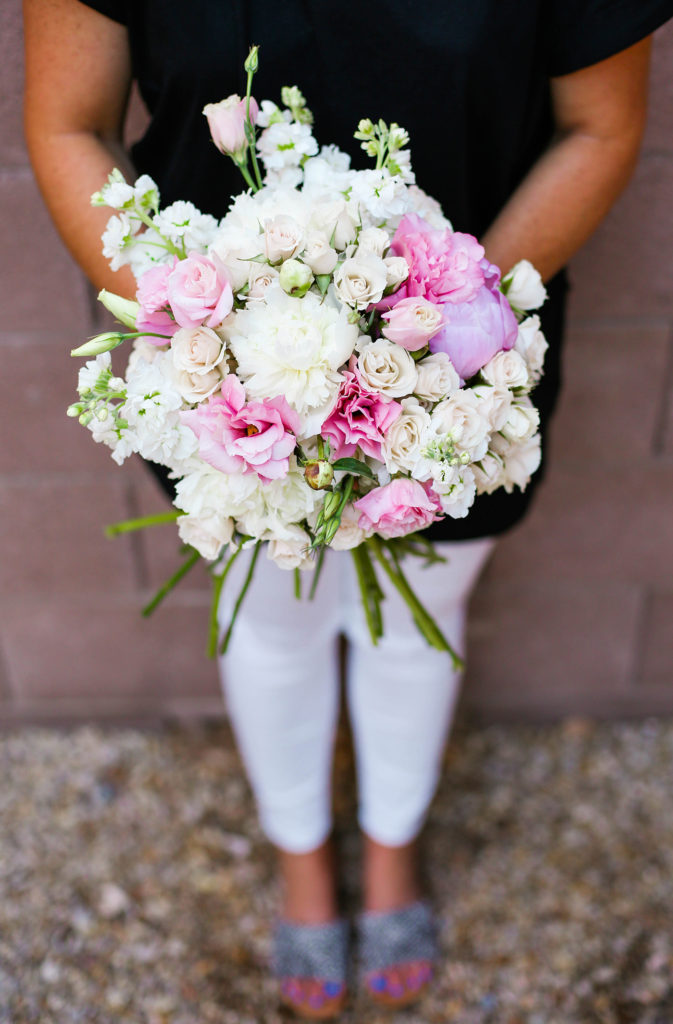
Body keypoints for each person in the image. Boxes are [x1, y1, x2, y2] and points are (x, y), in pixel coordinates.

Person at [23, 1, 673, 1017]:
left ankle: (390, 852)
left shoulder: (460, 367)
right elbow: (69, 123)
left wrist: (440, 353)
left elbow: (600, 125)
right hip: (218, 389)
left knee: (425, 623)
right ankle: (303, 864)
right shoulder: (212, 378)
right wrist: (209, 351)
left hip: (465, 368)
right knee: (269, 625)